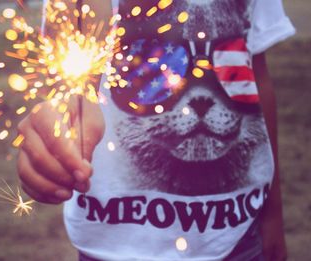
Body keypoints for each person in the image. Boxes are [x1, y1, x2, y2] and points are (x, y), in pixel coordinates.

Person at [17, 0, 295, 260]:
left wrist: (273, 213)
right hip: (112, 237)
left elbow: (257, 75)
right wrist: (46, 147)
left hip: (236, 232)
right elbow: (63, 86)